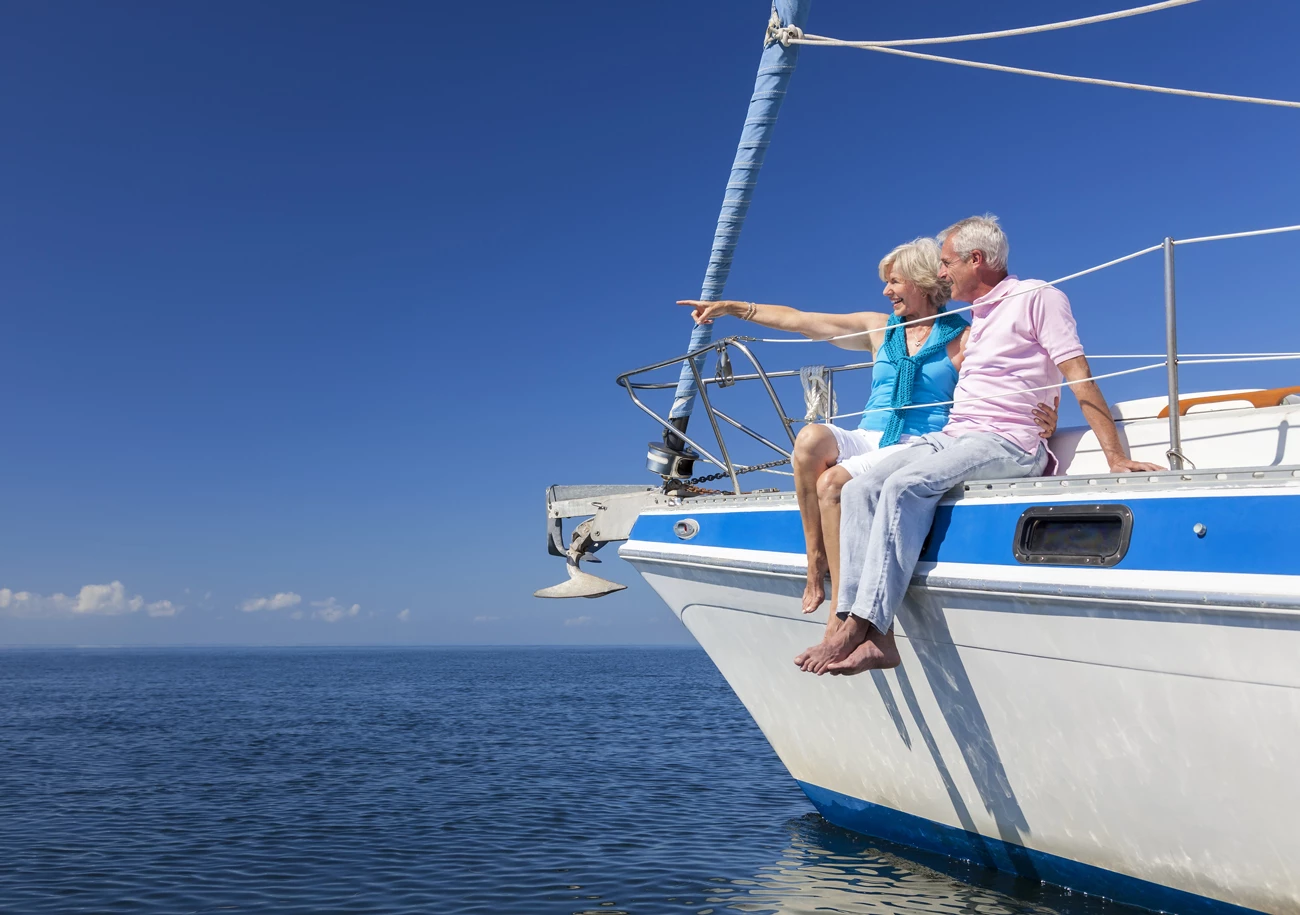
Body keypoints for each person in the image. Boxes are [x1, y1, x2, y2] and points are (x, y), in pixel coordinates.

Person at [795, 214, 1162, 676]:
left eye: (946, 263)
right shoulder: (977, 317)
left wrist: (1114, 455)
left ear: (976, 260)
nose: (941, 273)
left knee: (905, 485)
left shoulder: (1038, 297)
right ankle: (876, 636)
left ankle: (856, 626)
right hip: (954, 436)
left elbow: (1076, 372)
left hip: (1007, 441)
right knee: (858, 489)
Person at [678, 237, 1058, 643]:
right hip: (866, 434)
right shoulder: (879, 328)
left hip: (916, 441)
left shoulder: (962, 338)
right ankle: (815, 563)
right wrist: (733, 309)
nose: (886, 291)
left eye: (894, 281)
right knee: (809, 440)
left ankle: (840, 612)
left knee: (834, 483)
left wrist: (1047, 412)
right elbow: (800, 320)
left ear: (921, 281)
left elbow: (1016, 369)